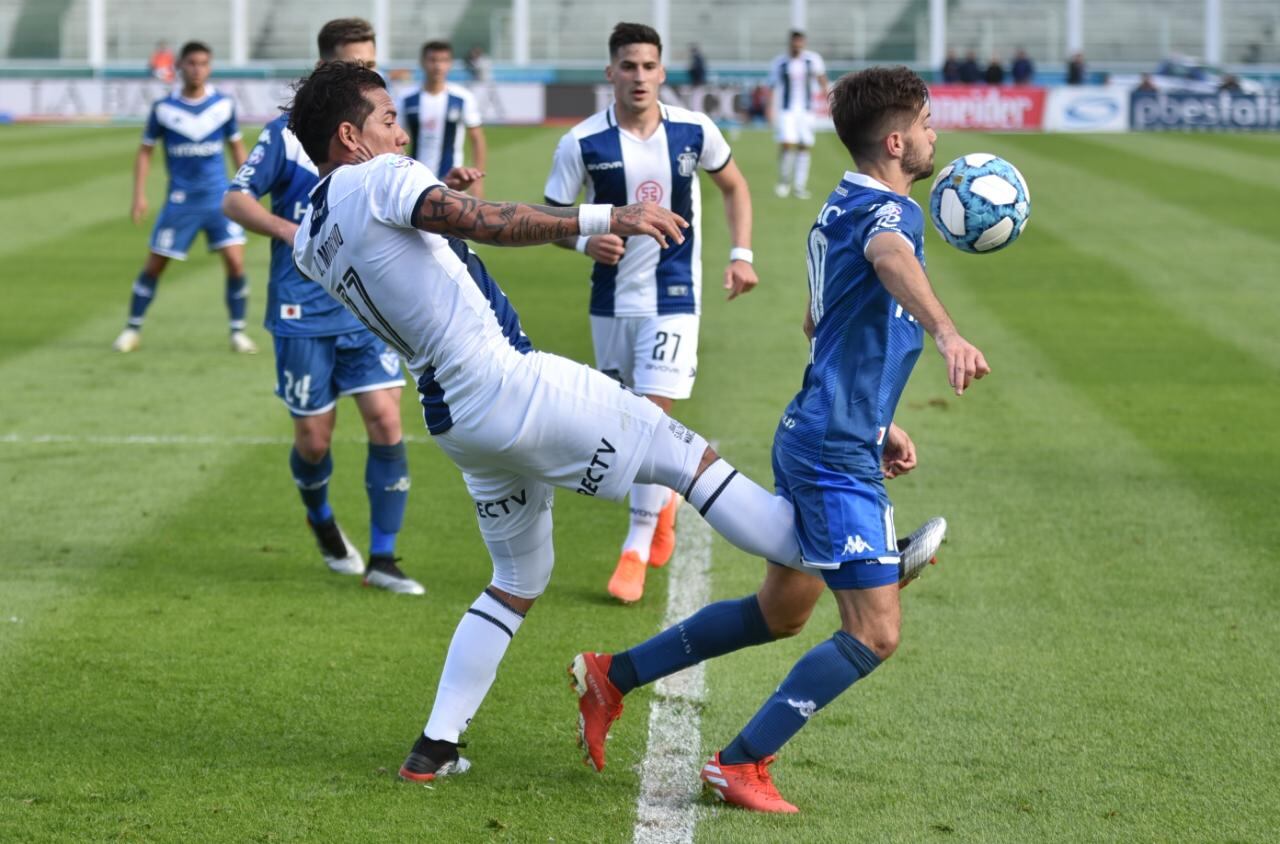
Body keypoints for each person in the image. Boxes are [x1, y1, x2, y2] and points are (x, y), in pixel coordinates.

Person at [286, 59, 878, 784]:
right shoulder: (376, 176)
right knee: (680, 454)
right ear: (349, 136)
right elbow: (473, 222)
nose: (398, 128)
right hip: (504, 381)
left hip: (453, 414)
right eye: (384, 119)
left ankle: (434, 748)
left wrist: (444, 208)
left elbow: (417, 251)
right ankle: (856, 564)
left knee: (517, 576)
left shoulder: (308, 234)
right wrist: (609, 215)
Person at [570, 65, 989, 814]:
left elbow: (818, 323)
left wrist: (878, 416)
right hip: (831, 454)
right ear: (896, 141)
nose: (935, 136)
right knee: (876, 632)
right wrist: (949, 332)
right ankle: (741, 763)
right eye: (927, 125)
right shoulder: (893, 218)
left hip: (829, 431)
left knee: (783, 613)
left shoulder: (842, 204)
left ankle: (612, 675)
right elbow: (890, 261)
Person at [542, 22, 757, 603]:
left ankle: (634, 547)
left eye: (648, 66)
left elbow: (734, 187)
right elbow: (552, 219)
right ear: (610, 72)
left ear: (662, 72)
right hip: (611, 299)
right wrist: (585, 241)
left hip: (675, 295)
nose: (638, 76)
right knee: (624, 420)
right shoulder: (582, 142)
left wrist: (741, 254)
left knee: (646, 417)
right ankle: (665, 503)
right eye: (628, 66)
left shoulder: (694, 129)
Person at [222, 19, 424, 595]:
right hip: (302, 310)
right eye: (353, 67)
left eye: (370, 65)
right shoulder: (286, 136)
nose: (366, 75)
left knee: (387, 421)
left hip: (366, 306)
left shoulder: (380, 134)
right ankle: (321, 521)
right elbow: (235, 199)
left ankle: (384, 558)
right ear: (324, 70)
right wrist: (290, 230)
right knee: (314, 440)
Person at [113, 41, 253, 355]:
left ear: (210, 66)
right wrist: (139, 195)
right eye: (191, 63)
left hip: (220, 198)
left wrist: (248, 187)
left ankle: (238, 333)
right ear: (179, 66)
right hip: (181, 200)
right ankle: (132, 328)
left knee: (235, 263)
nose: (197, 69)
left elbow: (236, 147)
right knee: (155, 264)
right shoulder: (163, 109)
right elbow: (145, 152)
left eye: (203, 63)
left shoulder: (224, 105)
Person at [401, 41, 487, 198]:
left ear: (450, 64)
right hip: (415, 181)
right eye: (432, 60)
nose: (438, 66)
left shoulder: (462, 98)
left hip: (454, 182)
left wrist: (478, 183)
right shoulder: (406, 99)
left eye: (443, 60)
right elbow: (397, 141)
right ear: (422, 62)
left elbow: (477, 140)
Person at [767, 30, 828, 199]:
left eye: (800, 41)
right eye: (795, 42)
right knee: (787, 143)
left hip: (807, 110)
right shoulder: (780, 62)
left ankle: (800, 185)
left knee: (804, 146)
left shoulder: (812, 59)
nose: (797, 45)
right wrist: (769, 108)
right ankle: (784, 181)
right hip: (787, 110)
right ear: (790, 43)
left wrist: (828, 97)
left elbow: (822, 79)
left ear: (804, 42)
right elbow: (771, 86)